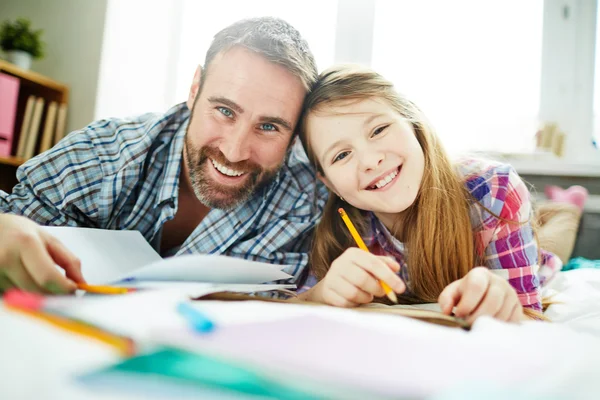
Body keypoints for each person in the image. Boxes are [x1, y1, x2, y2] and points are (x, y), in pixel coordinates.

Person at [0, 17, 326, 294]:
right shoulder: (104, 154)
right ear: (195, 89)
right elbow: (16, 224)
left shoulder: (300, 197)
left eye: (269, 127)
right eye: (224, 110)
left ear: (295, 133)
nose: (234, 151)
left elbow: (268, 306)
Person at [296, 64, 563, 323]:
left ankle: (566, 207)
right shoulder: (334, 229)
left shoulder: (494, 188)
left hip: (534, 256)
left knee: (559, 234)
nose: (369, 160)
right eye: (342, 155)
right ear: (329, 183)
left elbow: (529, 321)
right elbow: (291, 305)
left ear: (412, 123)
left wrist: (504, 303)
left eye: (379, 130)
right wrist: (318, 294)